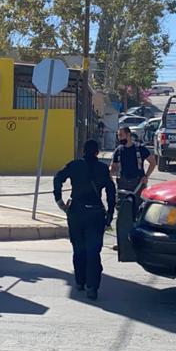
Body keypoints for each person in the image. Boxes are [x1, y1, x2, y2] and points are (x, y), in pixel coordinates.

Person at [54, 139, 116, 300]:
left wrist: (59, 200)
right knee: (93, 251)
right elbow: (111, 191)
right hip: (95, 213)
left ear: (83, 151)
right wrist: (110, 213)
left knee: (78, 248)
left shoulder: (74, 165)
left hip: (76, 213)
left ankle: (80, 281)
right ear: (97, 152)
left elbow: (58, 178)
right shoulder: (103, 168)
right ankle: (92, 287)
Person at [110, 126, 157, 259]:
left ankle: (138, 243)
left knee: (138, 213)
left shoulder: (140, 149)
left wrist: (146, 176)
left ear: (129, 135)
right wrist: (109, 174)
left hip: (138, 185)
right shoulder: (118, 150)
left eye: (121, 135)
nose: (119, 138)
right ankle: (122, 242)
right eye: (118, 136)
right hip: (123, 184)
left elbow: (153, 162)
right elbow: (113, 167)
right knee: (122, 213)